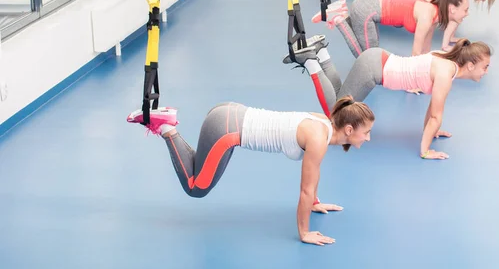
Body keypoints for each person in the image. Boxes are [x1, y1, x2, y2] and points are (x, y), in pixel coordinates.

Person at [126, 97, 375, 246]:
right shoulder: (319, 139)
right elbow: (305, 189)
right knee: (196, 188)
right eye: (366, 132)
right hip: (226, 129)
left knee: (201, 169)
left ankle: (167, 124)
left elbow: (314, 174)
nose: (369, 138)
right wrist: (304, 232)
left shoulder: (324, 124)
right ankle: (167, 128)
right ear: (350, 129)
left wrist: (315, 202)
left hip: (228, 114)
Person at [284, 36, 492, 160]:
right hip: (374, 68)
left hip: (377, 60)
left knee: (341, 97)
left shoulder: (447, 63)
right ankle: (312, 61)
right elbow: (436, 116)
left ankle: (321, 53)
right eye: (485, 67)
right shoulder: (446, 72)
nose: (486, 72)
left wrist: (432, 130)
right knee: (336, 113)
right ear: (471, 65)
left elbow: (433, 111)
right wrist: (426, 151)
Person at [312, 0, 470, 57]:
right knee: (366, 57)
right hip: (367, 10)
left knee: (369, 53)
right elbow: (415, 53)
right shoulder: (427, 16)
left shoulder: (435, 12)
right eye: (465, 10)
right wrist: (414, 82)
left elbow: (425, 51)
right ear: (452, 9)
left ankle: (342, 11)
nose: (467, 14)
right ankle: (339, 18)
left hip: (372, 5)